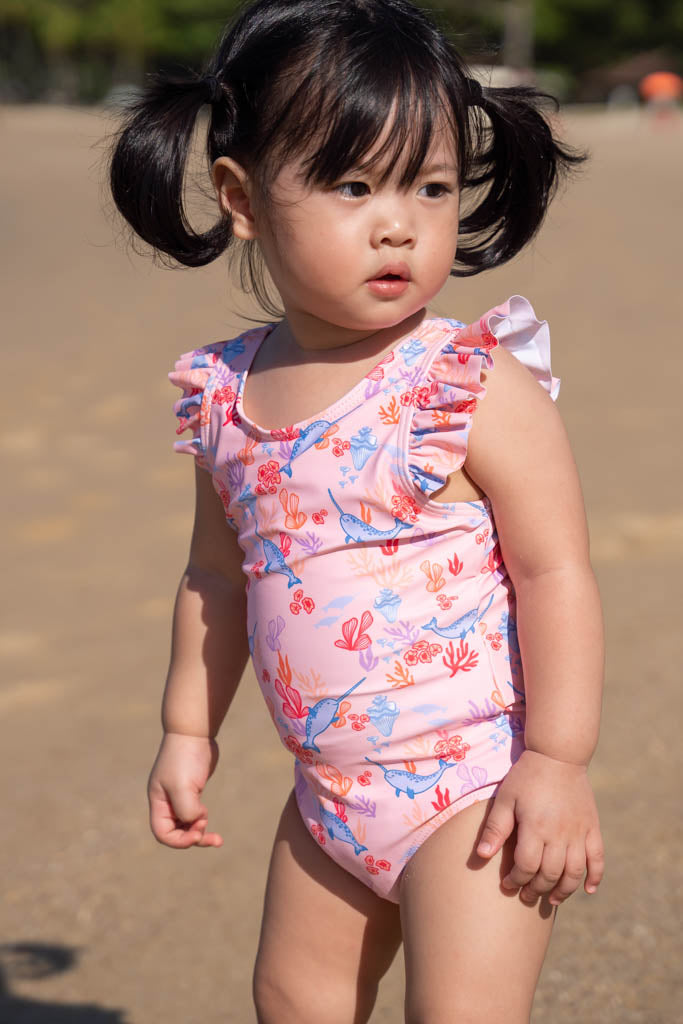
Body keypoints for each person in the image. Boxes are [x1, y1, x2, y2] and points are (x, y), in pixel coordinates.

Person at [109, 1, 605, 1020]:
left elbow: (554, 570)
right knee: (292, 999)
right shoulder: (226, 395)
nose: (399, 222)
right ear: (241, 198)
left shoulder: (464, 381)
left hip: (472, 790)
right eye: (350, 184)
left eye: (429, 188)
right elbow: (215, 576)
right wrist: (186, 729)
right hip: (326, 800)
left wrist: (555, 761)